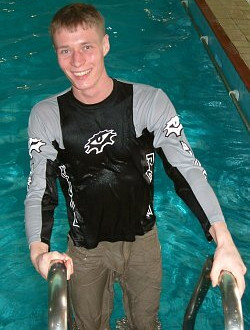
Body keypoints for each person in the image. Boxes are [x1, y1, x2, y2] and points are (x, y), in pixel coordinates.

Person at [25, 3, 246, 330]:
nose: (77, 61)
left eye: (86, 47)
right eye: (65, 51)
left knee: (145, 323)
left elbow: (186, 170)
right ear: (56, 55)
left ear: (105, 45)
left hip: (142, 242)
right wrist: (39, 253)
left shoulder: (148, 102)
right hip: (84, 249)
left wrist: (224, 240)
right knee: (87, 325)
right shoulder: (47, 116)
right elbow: (39, 191)